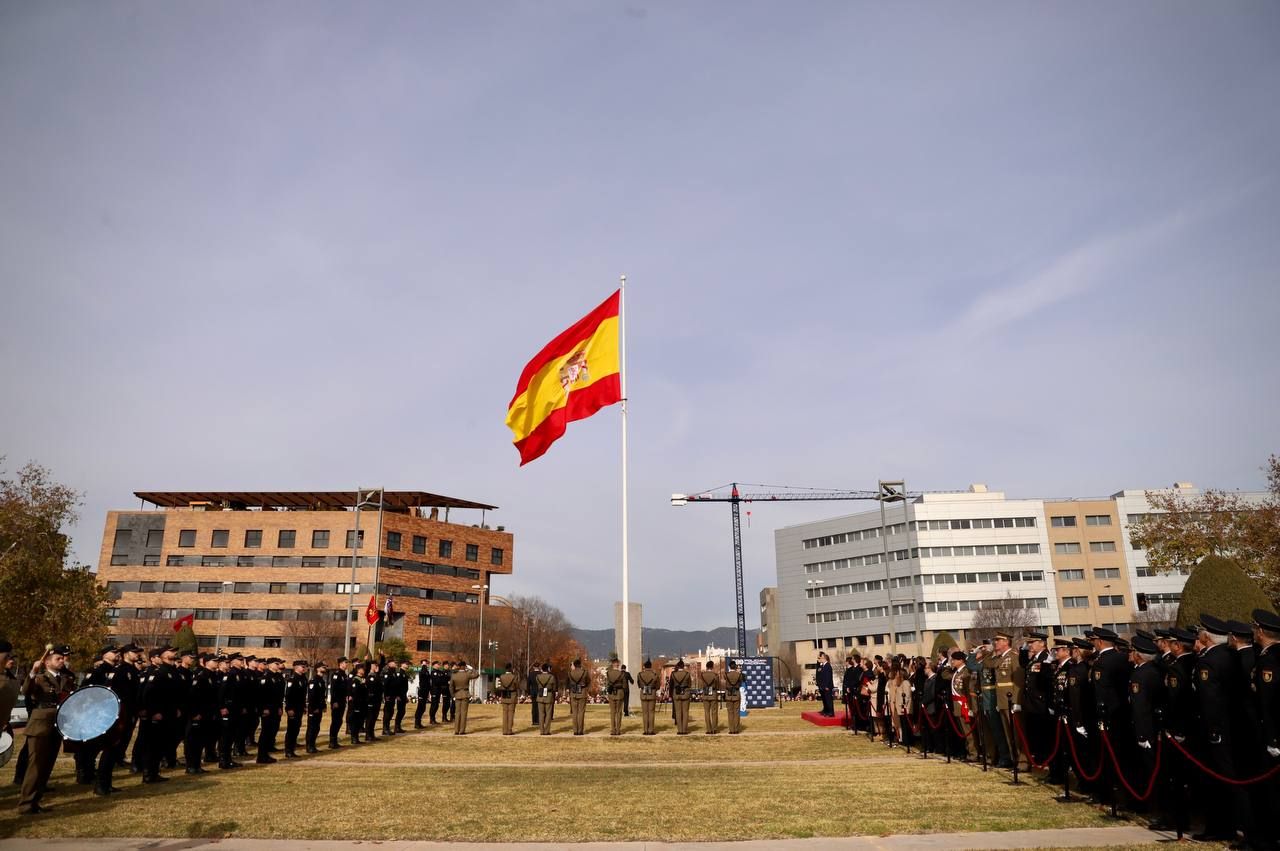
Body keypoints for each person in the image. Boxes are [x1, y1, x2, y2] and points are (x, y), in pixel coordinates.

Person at [18, 644, 75, 815]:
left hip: (58, 724)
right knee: (35, 766)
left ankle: (36, 801)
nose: (62, 661)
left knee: (47, 766)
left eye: (62, 658)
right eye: (57, 659)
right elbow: (26, 691)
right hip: (40, 725)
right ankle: (26, 804)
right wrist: (32, 672)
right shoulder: (40, 678)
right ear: (47, 662)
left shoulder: (66, 678)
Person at [256, 658, 284, 763]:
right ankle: (261, 755)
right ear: (269, 665)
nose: (278, 665)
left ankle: (266, 754)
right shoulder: (265, 677)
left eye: (279, 663)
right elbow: (261, 695)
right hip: (267, 709)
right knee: (265, 732)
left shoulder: (277, 677)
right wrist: (264, 708)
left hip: (275, 709)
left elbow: (278, 696)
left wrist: (279, 707)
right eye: (276, 664)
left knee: (271, 732)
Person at [451, 659, 480, 735]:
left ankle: (456, 730)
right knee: (463, 713)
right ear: (464, 666)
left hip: (457, 694)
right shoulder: (467, 674)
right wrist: (472, 669)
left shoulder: (454, 674)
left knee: (457, 713)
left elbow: (451, 686)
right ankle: (462, 730)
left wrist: (453, 695)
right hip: (465, 694)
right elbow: (477, 674)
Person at [305, 661, 327, 753]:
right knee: (312, 728)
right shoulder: (314, 681)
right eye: (323, 667)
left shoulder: (321, 680)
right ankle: (309, 746)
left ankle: (312, 745)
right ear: (318, 669)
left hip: (319, 708)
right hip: (314, 709)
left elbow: (322, 696)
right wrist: (314, 708)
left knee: (316, 728)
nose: (325, 668)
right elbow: (311, 696)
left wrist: (323, 706)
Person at [328, 657, 349, 748]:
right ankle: (332, 741)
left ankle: (335, 740)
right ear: (340, 664)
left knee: (339, 721)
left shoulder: (344, 674)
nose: (347, 664)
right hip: (337, 701)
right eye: (345, 662)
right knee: (335, 721)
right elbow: (333, 689)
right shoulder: (336, 674)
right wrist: (334, 701)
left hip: (342, 700)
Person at [566, 659, 590, 735]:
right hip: (582, 692)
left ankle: (575, 730)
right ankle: (580, 730)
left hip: (573, 693)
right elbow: (588, 681)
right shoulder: (584, 672)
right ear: (580, 664)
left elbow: (568, 682)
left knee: (574, 713)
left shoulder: (570, 673)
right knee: (581, 712)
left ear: (574, 665)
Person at [637, 659, 660, 735]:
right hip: (652, 693)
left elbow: (639, 685)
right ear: (651, 666)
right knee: (651, 713)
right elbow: (658, 686)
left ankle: (645, 730)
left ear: (644, 666)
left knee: (645, 713)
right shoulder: (655, 675)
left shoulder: (640, 674)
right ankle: (651, 730)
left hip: (643, 694)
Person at [670, 659, 693, 735]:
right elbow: (689, 684)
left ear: (678, 666)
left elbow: (671, 684)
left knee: (678, 712)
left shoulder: (673, 674)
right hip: (685, 693)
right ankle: (684, 729)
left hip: (676, 693)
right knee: (685, 712)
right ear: (683, 666)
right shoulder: (687, 674)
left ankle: (679, 730)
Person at [497, 661, 520, 735]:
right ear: (511, 668)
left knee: (504, 713)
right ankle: (509, 730)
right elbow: (517, 686)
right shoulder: (514, 676)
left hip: (504, 695)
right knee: (511, 713)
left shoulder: (501, 676)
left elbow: (499, 686)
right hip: (512, 695)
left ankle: (504, 730)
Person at [698, 661, 721, 734]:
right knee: (714, 712)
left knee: (706, 712)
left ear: (706, 667)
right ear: (712, 666)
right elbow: (718, 685)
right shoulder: (715, 675)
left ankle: (708, 729)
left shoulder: (702, 675)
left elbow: (701, 685)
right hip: (713, 693)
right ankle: (714, 729)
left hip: (705, 693)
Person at [606, 658, 626, 735]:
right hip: (620, 693)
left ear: (612, 664)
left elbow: (607, 683)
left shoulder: (608, 673)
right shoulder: (622, 674)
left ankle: (613, 729)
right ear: (618, 664)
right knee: (619, 712)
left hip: (611, 694)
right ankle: (618, 730)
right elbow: (624, 685)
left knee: (612, 712)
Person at [347, 663, 367, 745]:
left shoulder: (362, 679)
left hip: (362, 703)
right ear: (358, 670)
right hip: (356, 704)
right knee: (354, 721)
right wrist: (362, 685)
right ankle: (354, 738)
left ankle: (356, 737)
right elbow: (355, 692)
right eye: (362, 669)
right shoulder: (355, 680)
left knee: (359, 721)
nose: (364, 670)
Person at [535, 663, 557, 735]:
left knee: (541, 714)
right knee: (548, 714)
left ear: (541, 669)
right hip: (549, 695)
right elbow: (554, 688)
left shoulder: (538, 677)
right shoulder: (551, 677)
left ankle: (541, 730)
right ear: (548, 669)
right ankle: (547, 730)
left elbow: (537, 685)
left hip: (540, 695)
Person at [724, 659, 744, 734]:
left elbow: (725, 678)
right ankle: (736, 729)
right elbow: (741, 682)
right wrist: (738, 672)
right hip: (736, 694)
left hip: (729, 695)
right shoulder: (739, 675)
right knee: (736, 712)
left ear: (729, 667)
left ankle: (731, 729)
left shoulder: (726, 674)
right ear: (735, 667)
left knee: (730, 713)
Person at [413, 659, 431, 728]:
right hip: (422, 691)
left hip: (426, 691)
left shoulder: (427, 672)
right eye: (424, 664)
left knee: (423, 708)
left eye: (426, 663)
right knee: (420, 707)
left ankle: (419, 722)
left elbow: (428, 681)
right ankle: (416, 723)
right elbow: (423, 673)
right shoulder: (422, 671)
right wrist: (423, 665)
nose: (426, 665)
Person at [815, 652, 835, 717]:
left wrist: (826, 686)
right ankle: (827, 711)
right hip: (823, 686)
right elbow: (820, 676)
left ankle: (831, 712)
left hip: (827, 686)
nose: (819, 659)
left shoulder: (827, 666)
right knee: (825, 700)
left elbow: (828, 677)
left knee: (828, 700)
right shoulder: (822, 666)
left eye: (820, 658)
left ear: (824, 658)